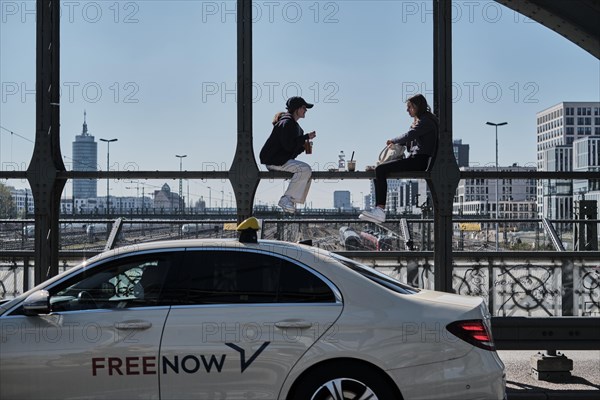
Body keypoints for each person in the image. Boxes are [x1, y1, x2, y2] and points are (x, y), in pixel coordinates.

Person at [359, 94, 438, 223]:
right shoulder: (423, 121)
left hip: (419, 162)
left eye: (410, 107)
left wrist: (393, 140)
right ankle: (377, 210)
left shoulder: (425, 121)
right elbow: (410, 139)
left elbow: (409, 135)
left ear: (417, 106)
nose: (407, 110)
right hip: (416, 160)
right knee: (377, 170)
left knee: (380, 169)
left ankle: (380, 210)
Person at [260, 96, 317, 213]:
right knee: (305, 169)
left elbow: (290, 150)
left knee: (306, 172)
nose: (306, 110)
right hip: (274, 160)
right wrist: (305, 138)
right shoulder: (286, 123)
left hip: (278, 160)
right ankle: (287, 199)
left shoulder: (293, 125)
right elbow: (288, 146)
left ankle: (290, 200)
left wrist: (303, 146)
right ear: (296, 109)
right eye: (304, 107)